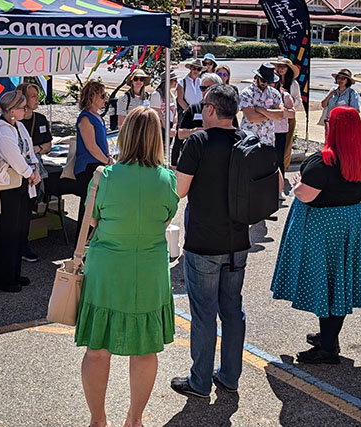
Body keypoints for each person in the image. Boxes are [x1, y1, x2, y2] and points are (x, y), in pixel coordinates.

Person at [75, 107, 179, 427]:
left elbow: (91, 221)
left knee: (97, 350)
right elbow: (166, 218)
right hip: (148, 270)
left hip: (107, 269)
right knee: (145, 351)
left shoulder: (104, 176)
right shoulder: (166, 179)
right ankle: (134, 419)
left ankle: (98, 420)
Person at [270, 106, 361, 364]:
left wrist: (296, 183)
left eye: (329, 121)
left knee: (327, 284)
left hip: (325, 226)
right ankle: (329, 337)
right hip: (351, 221)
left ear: (335, 127)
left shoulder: (323, 160)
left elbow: (305, 195)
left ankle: (328, 349)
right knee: (338, 284)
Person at [171, 84, 254, 398]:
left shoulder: (199, 141)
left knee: (204, 313)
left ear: (209, 109)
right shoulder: (248, 141)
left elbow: (179, 190)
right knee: (233, 310)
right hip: (238, 241)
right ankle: (230, 376)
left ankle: (200, 381)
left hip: (204, 241)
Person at [0, 91, 41, 293]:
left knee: (18, 231)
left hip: (21, 184)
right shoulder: (2, 130)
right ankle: (2, 278)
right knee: (6, 232)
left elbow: (28, 149)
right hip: (8, 186)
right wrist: (30, 173)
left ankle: (14, 273)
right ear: (11, 111)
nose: (25, 110)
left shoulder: (18, 126)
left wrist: (34, 169)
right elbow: (14, 157)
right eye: (22, 107)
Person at [16, 82, 52, 264]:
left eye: (37, 96)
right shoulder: (13, 121)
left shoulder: (41, 119)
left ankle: (23, 244)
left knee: (29, 208)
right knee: (17, 212)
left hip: (35, 170)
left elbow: (48, 144)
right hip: (17, 173)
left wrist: (36, 149)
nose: (37, 99)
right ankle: (16, 245)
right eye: (32, 96)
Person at [74, 81, 115, 241]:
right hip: (88, 167)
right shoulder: (85, 118)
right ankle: (81, 242)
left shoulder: (97, 116)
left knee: (98, 206)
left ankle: (92, 240)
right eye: (102, 96)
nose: (105, 99)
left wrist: (108, 157)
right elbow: (91, 146)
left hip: (99, 164)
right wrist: (107, 160)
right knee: (88, 206)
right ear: (92, 97)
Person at [272, 58, 304, 172]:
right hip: (273, 116)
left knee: (286, 143)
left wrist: (288, 99)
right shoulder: (272, 80)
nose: (281, 69)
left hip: (288, 116)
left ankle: (283, 167)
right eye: (279, 66)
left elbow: (299, 103)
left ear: (288, 69)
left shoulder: (293, 83)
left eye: (283, 67)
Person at [240, 62, 285, 145]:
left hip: (268, 139)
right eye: (263, 80)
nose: (265, 84)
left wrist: (261, 110)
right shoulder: (247, 93)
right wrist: (271, 114)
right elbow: (251, 117)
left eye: (268, 82)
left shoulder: (274, 93)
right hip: (249, 138)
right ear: (257, 77)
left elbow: (280, 115)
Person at [270, 78, 296, 195]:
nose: (270, 84)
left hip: (279, 131)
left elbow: (292, 114)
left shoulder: (285, 95)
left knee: (279, 159)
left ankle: (279, 189)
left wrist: (279, 110)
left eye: (272, 81)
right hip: (265, 131)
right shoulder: (262, 94)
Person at [150, 71, 178, 141]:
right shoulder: (156, 94)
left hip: (170, 125)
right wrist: (166, 128)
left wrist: (174, 127)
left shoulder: (172, 96)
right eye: (174, 80)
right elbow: (157, 113)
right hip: (160, 126)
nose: (176, 83)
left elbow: (175, 112)